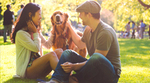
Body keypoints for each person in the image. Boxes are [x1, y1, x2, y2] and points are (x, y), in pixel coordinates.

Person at [40, 1, 121, 83]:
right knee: (67, 53)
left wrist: (74, 66)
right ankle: (55, 81)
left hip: (109, 75)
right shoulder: (88, 29)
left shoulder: (105, 32)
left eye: (81, 14)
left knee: (96, 57)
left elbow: (97, 60)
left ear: (89, 15)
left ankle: (71, 79)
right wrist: (69, 27)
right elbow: (80, 44)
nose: (79, 16)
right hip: (94, 69)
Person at [10, 3, 63, 79]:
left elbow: (47, 45)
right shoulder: (21, 34)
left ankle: (67, 76)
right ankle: (67, 79)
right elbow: (36, 48)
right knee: (51, 55)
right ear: (30, 14)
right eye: (39, 14)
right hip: (26, 71)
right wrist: (35, 33)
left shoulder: (35, 31)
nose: (40, 17)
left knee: (59, 51)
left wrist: (53, 31)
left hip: (36, 67)